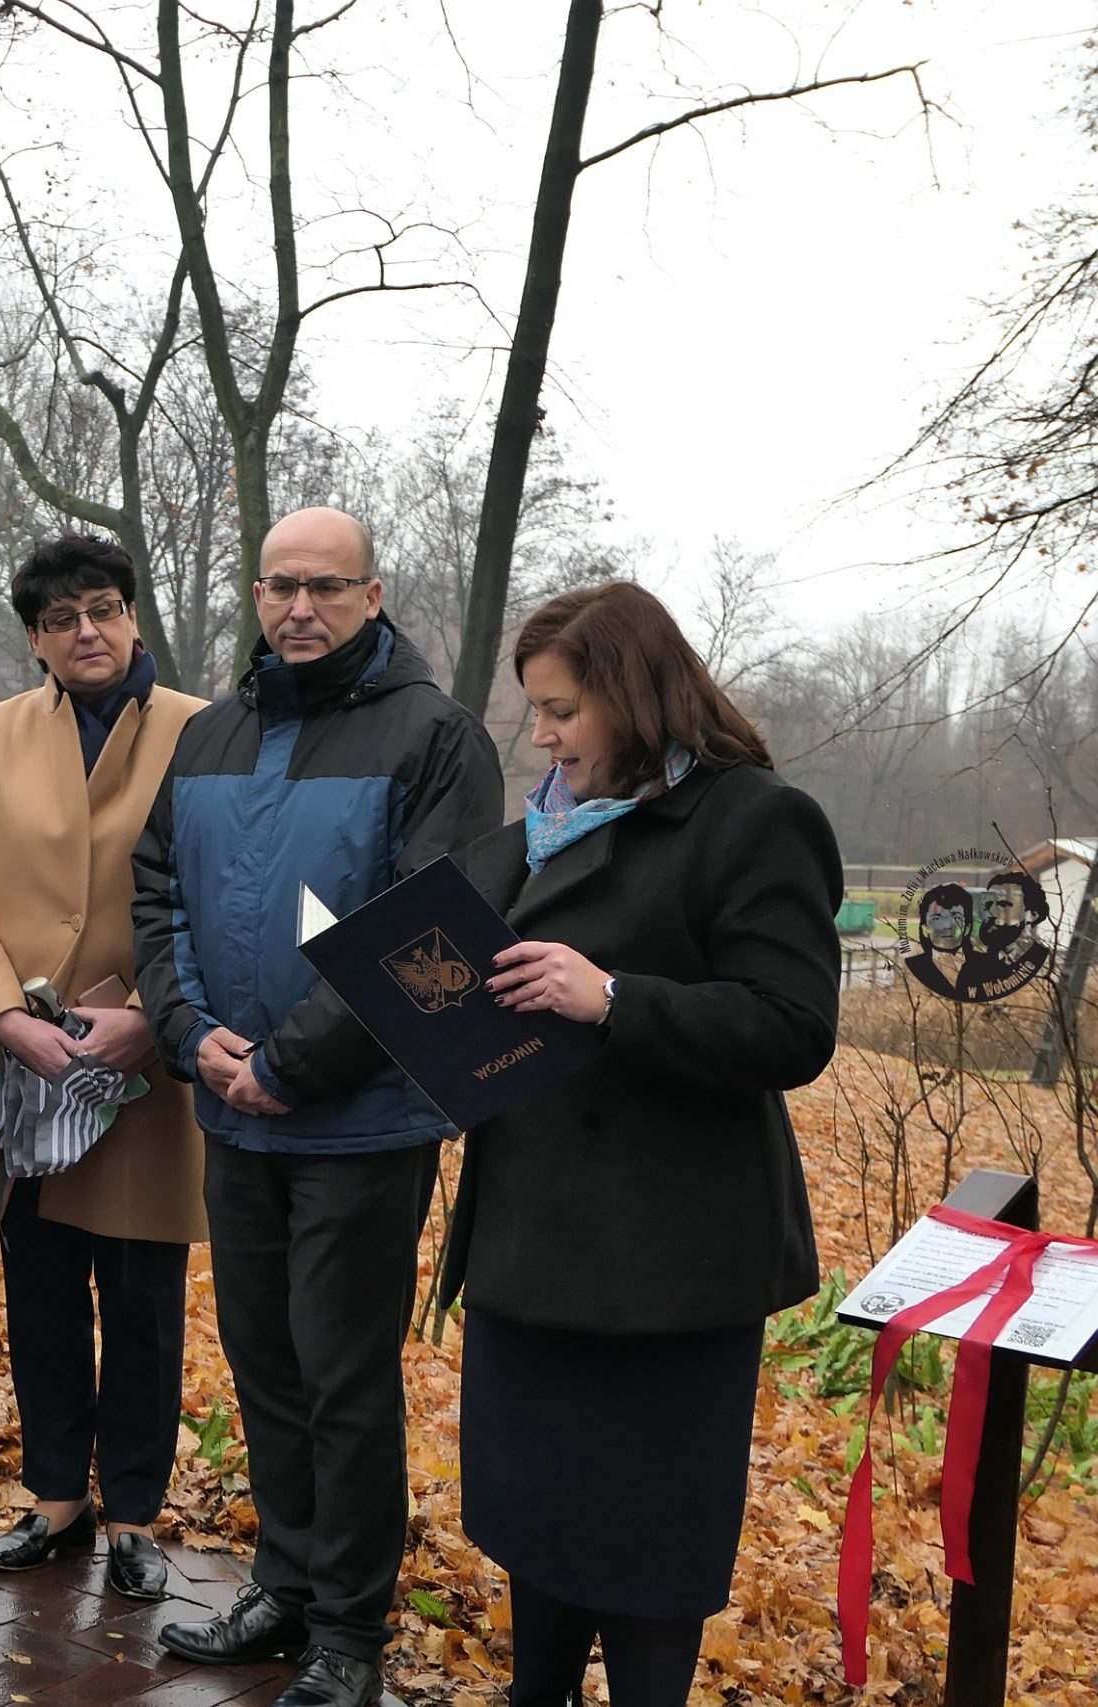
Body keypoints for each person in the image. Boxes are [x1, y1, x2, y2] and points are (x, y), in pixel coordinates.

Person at [440, 581, 841, 1707]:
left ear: (631, 691)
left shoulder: (752, 818)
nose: (545, 734)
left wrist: (612, 995)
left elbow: (793, 1026)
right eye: (536, 710)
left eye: (563, 708)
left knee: (648, 1550)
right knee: (537, 1518)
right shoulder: (532, 829)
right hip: (533, 1237)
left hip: (667, 1259)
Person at [135, 507, 500, 1707]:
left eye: (326, 588)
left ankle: (348, 1625)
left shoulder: (433, 737)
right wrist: (192, 1038)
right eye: (280, 585)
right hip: (231, 1113)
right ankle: (282, 1585)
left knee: (344, 1380)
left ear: (373, 592)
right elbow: (157, 899)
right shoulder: (212, 734)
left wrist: (289, 1064)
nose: (301, 608)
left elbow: (428, 936)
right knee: (262, 1365)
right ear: (254, 592)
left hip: (360, 1122)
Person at [0, 533, 209, 1602]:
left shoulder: (202, 731)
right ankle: (55, 1497)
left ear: (131, 615)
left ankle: (134, 1511)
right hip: (30, 1060)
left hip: (147, 1063)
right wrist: (6, 1018)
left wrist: (151, 1016)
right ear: (36, 641)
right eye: (59, 620)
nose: (84, 632)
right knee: (41, 1287)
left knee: (141, 1297)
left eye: (100, 609)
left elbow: (219, 896)